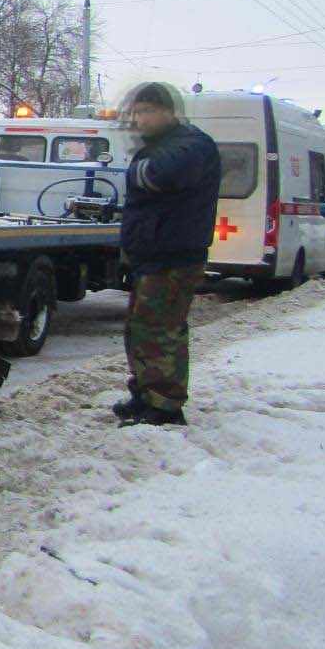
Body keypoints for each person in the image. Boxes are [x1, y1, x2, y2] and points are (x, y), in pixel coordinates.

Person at [112, 82, 222, 427]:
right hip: (154, 254)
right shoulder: (164, 145)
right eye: (137, 112)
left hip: (174, 256)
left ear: (169, 112)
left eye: (147, 112)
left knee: (161, 330)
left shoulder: (192, 145)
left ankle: (165, 406)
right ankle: (146, 394)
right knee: (141, 328)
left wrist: (137, 170)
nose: (140, 120)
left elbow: (165, 175)